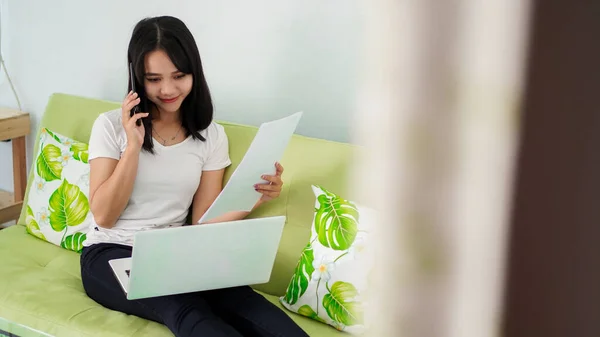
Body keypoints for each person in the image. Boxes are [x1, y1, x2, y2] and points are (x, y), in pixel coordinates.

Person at [79, 16, 308, 337]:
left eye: (179, 76)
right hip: (111, 253)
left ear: (194, 73)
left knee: (250, 307)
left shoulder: (210, 136)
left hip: (178, 254)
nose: (168, 89)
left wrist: (254, 196)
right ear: (136, 77)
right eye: (154, 79)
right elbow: (104, 215)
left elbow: (202, 222)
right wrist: (132, 147)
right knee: (185, 309)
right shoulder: (110, 127)